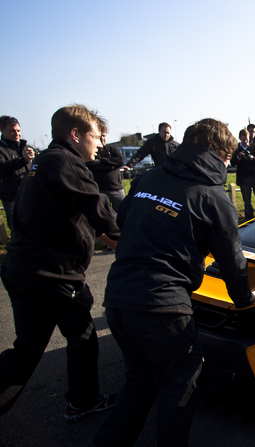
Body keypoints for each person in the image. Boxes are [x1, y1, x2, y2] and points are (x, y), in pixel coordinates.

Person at [94, 118, 255, 447]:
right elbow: (232, 260)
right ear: (218, 153)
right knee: (179, 387)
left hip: (118, 299)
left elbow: (124, 222)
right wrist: (244, 299)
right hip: (163, 308)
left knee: (139, 383)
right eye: (227, 157)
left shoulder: (148, 177)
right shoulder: (212, 195)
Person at [0, 104, 120, 420]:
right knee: (82, 335)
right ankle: (83, 400)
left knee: (26, 350)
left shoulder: (43, 161)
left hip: (21, 267)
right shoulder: (68, 162)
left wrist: (111, 239)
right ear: (75, 134)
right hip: (53, 274)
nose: (99, 144)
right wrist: (141, 240)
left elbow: (86, 224)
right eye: (95, 136)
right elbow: (103, 217)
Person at [0, 116, 34, 231]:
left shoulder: (25, 147)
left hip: (29, 195)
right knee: (17, 230)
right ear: (2, 131)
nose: (17, 134)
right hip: (11, 197)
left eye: (18, 130)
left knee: (34, 227)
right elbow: (2, 168)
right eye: (12, 131)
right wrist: (22, 160)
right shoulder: (1, 149)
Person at [231, 128, 255, 221]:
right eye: (243, 140)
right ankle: (249, 220)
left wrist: (251, 157)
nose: (245, 141)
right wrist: (239, 156)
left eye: (247, 139)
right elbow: (233, 162)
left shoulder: (254, 147)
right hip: (244, 179)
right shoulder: (236, 149)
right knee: (247, 202)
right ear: (240, 138)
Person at [86, 132, 125, 212]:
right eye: (99, 136)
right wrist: (111, 165)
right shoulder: (92, 151)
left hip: (116, 188)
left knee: (123, 213)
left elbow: (120, 161)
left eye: (103, 136)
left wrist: (101, 161)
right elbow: (91, 164)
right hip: (100, 189)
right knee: (104, 215)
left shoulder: (112, 148)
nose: (102, 138)